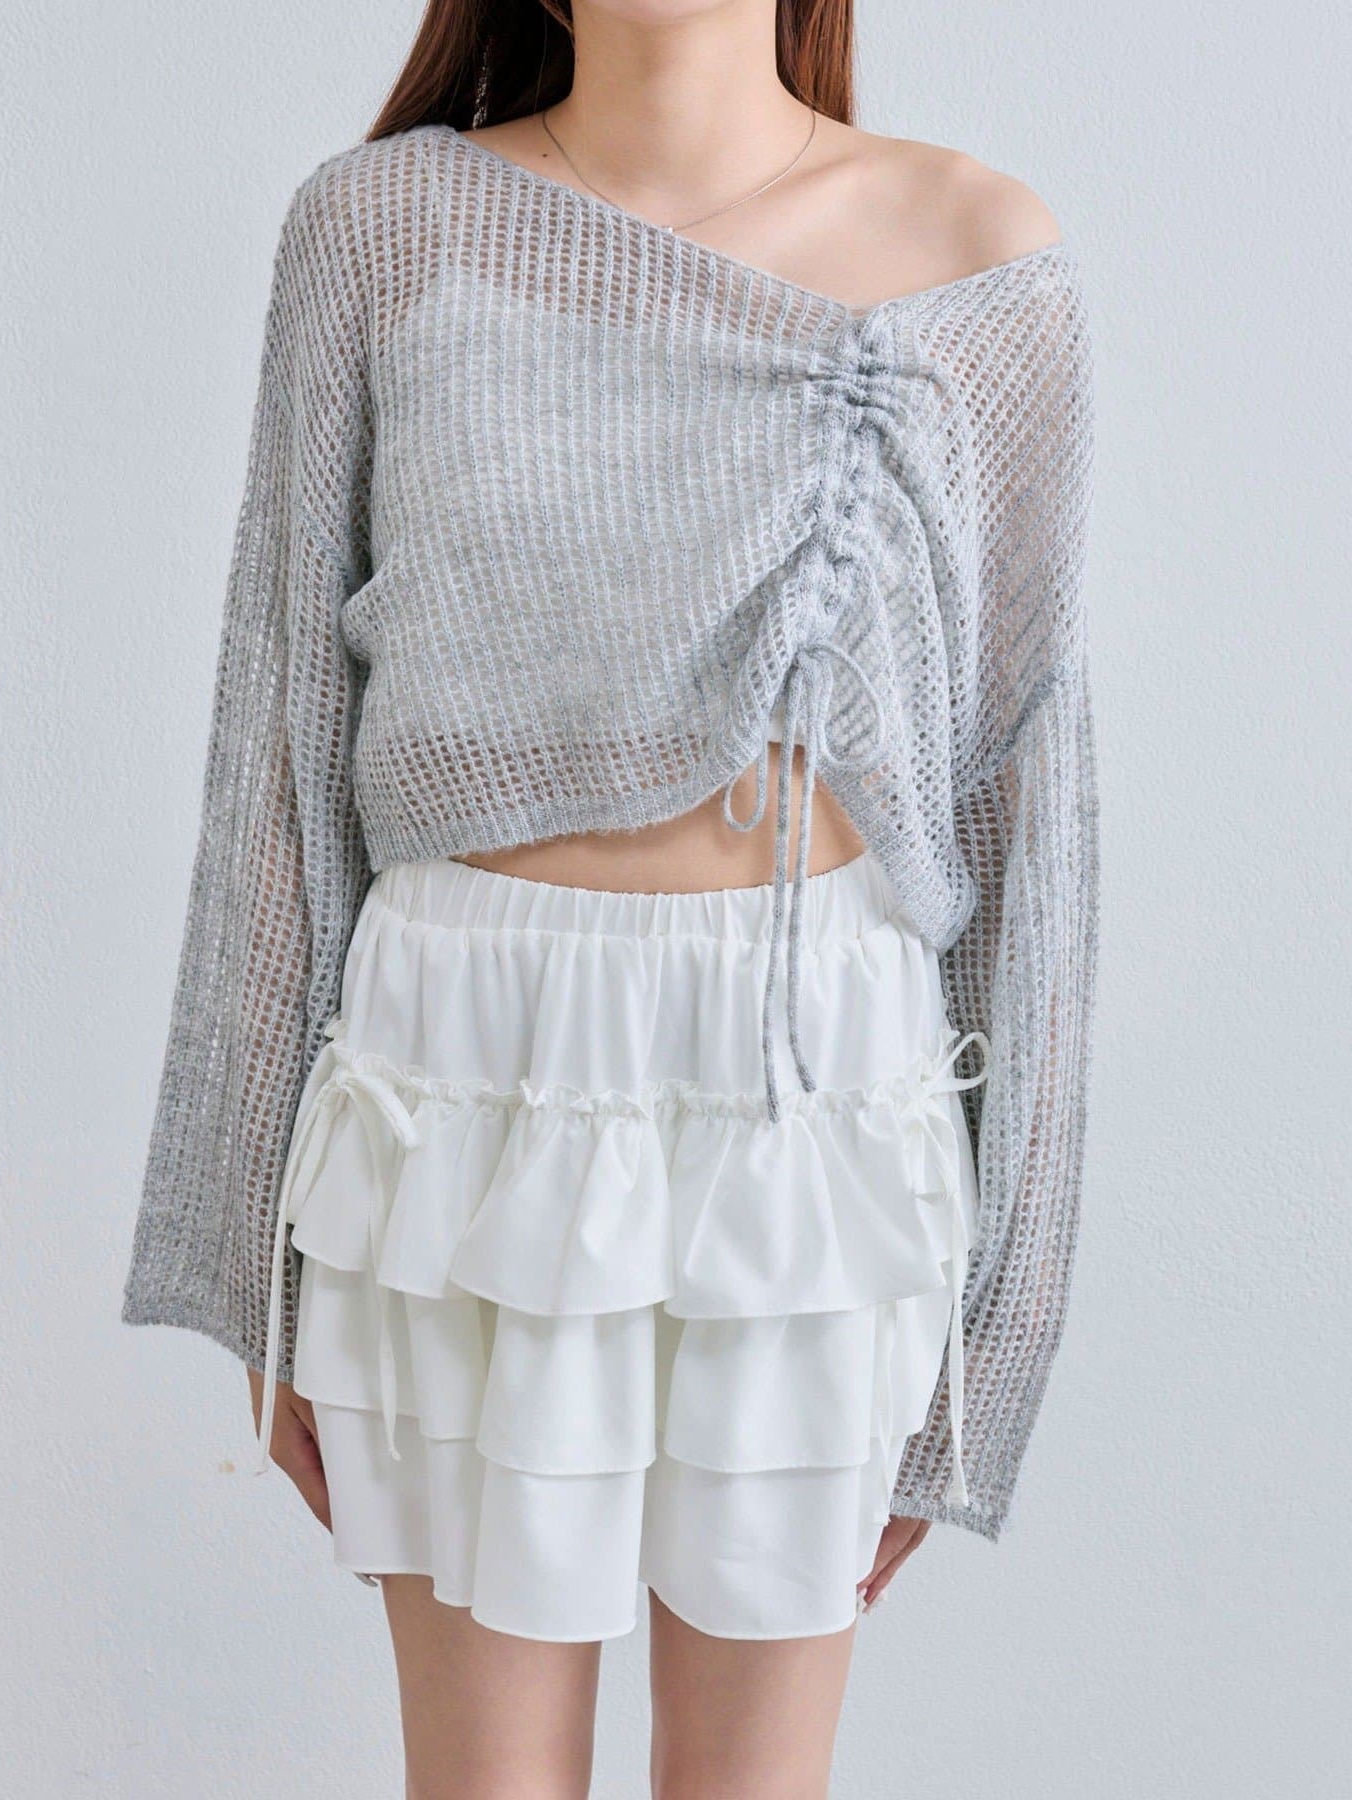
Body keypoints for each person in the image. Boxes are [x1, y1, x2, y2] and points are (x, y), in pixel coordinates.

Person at [122, 2, 1099, 1793]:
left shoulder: (980, 255)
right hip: (463, 1095)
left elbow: (1025, 808)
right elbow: (278, 737)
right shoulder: (381, 225)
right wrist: (251, 1257)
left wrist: (1004, 1326)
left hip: (813, 1113)